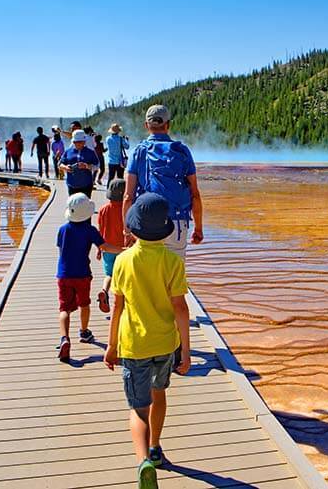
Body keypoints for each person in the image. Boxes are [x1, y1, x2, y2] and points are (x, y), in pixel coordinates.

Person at [104, 192, 192, 487]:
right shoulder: (172, 262)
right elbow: (180, 307)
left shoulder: (123, 261)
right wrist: (186, 352)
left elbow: (117, 307)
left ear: (133, 228)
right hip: (165, 344)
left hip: (134, 344)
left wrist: (111, 345)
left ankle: (143, 462)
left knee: (138, 408)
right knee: (159, 392)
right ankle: (155, 449)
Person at [123, 105, 203, 258]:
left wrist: (127, 231)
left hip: (145, 222)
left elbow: (128, 196)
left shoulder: (138, 151)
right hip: (177, 221)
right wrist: (198, 228)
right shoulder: (182, 151)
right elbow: (195, 195)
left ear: (146, 125)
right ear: (168, 124)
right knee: (175, 276)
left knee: (147, 276)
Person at [56, 193, 122, 362]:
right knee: (84, 304)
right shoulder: (90, 230)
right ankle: (84, 332)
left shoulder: (63, 229)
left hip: (63, 274)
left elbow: (60, 249)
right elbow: (105, 246)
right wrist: (123, 250)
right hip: (83, 274)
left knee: (64, 309)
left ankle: (64, 338)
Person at [96, 179, 126, 314]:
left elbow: (100, 230)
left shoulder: (103, 210)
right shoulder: (127, 210)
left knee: (109, 274)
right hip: (124, 249)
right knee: (124, 275)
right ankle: (122, 302)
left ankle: (104, 291)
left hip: (107, 247)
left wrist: (98, 248)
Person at [59, 129, 99, 197]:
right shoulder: (68, 151)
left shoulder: (90, 152)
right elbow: (60, 164)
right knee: (73, 206)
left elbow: (97, 165)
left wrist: (87, 166)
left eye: (79, 142)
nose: (77, 143)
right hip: (72, 185)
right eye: (75, 142)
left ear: (84, 142)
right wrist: (66, 168)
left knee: (85, 206)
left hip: (86, 185)